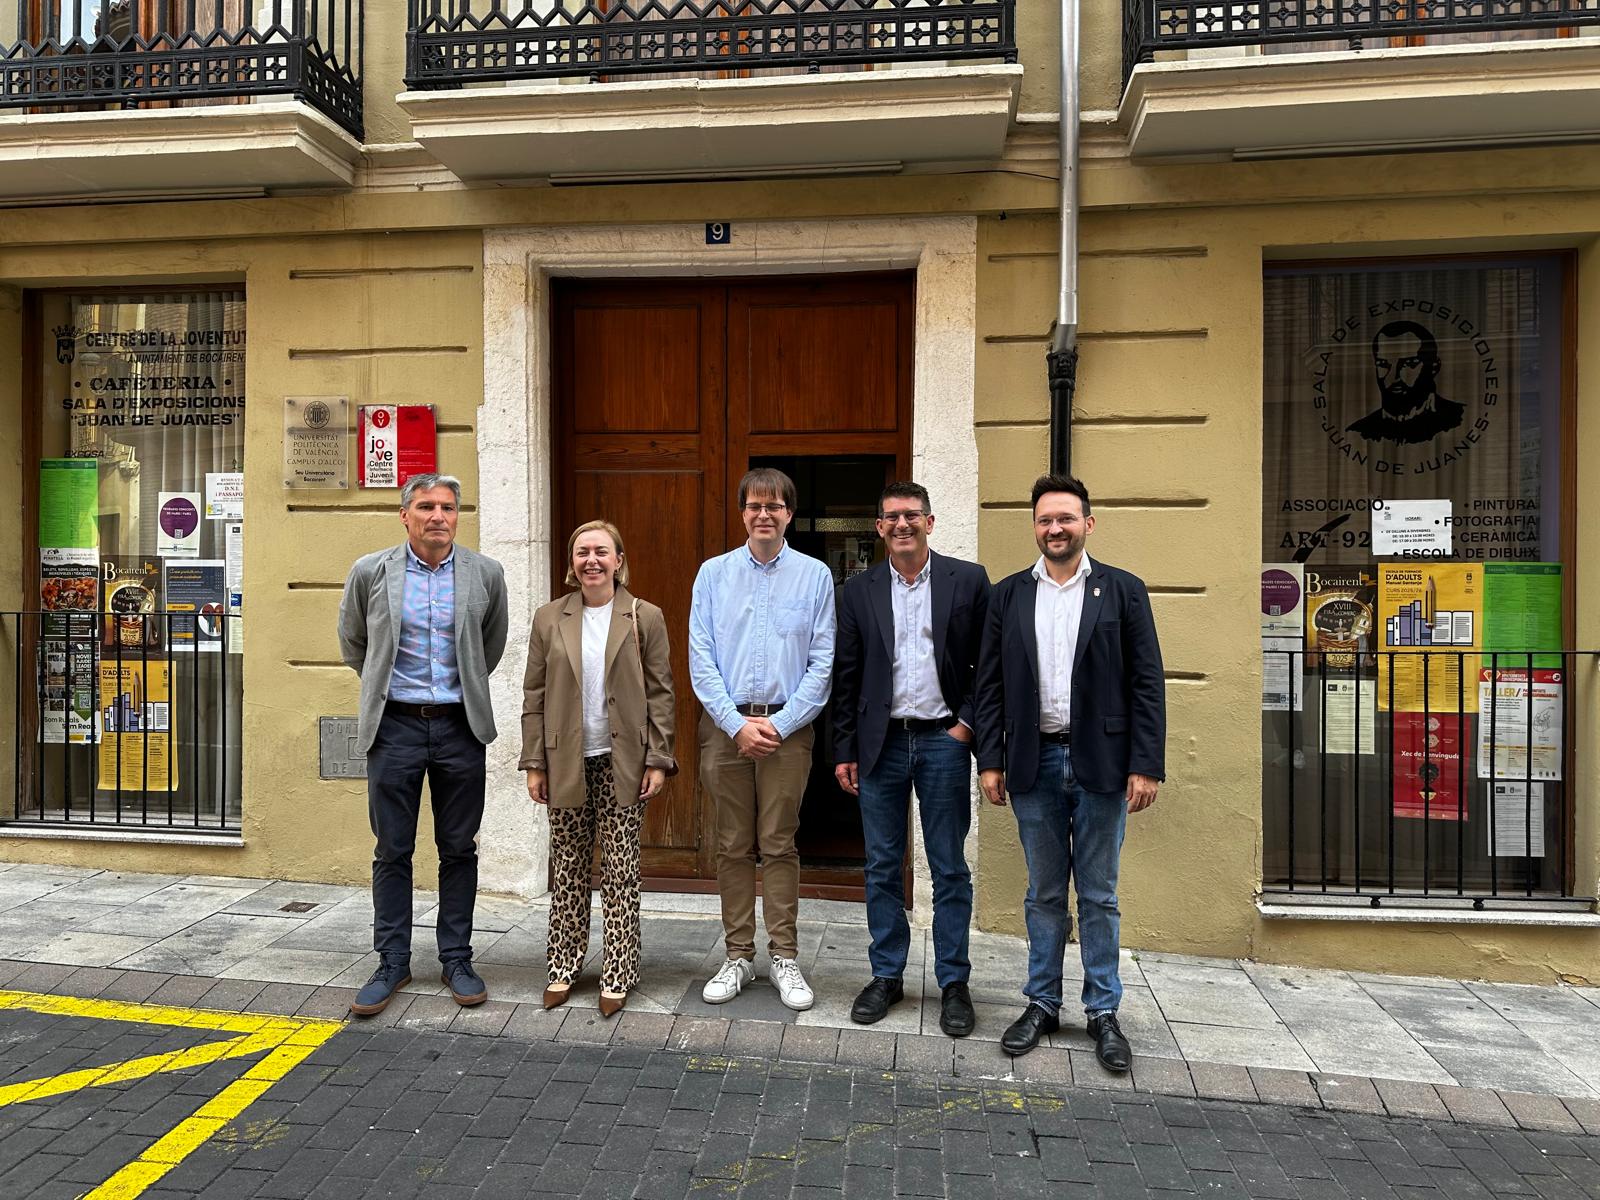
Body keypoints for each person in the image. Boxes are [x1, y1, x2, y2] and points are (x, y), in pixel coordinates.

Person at [974, 474, 1166, 1071]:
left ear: (1088, 523)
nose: (1054, 528)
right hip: (1033, 762)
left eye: (1065, 518)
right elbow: (989, 688)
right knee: (1044, 893)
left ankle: (1103, 1011)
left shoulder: (1123, 591)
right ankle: (1042, 1003)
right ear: (1035, 527)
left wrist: (1146, 765)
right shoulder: (1008, 596)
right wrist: (992, 759)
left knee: (1101, 894)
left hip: (1104, 766)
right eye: (1044, 520)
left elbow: (1146, 684)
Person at [337, 473, 509, 1017]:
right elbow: (353, 642)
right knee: (393, 848)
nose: (439, 516)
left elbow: (491, 645)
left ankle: (456, 957)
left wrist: (460, 692)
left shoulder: (486, 573)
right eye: (426, 506)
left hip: (460, 727)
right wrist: (389, 692)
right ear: (405, 515)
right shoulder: (370, 571)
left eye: (449, 507)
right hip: (395, 726)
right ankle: (392, 959)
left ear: (458, 515)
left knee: (459, 847)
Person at [833, 481, 989, 1037]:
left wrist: (965, 727)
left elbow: (985, 664)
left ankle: (953, 983)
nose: (902, 525)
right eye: (892, 517)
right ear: (879, 528)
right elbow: (846, 675)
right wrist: (845, 748)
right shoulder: (859, 590)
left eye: (912, 516)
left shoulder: (966, 581)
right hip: (881, 745)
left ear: (930, 521)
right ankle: (887, 975)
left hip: (944, 741)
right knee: (881, 865)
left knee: (948, 866)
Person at [690, 467, 835, 1011]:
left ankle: (784, 956)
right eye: (754, 505)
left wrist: (778, 724)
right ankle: (736, 955)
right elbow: (700, 658)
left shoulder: (815, 576)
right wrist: (735, 724)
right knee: (731, 844)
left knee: (779, 842)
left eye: (774, 506)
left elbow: (822, 662)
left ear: (789, 514)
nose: (764, 514)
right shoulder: (713, 574)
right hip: (725, 727)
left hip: (787, 731)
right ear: (742, 512)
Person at [519, 520, 675, 1018]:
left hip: (623, 760)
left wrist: (659, 757)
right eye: (582, 551)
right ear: (572, 562)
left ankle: (618, 968)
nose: (591, 560)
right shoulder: (549, 618)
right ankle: (563, 965)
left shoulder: (643, 616)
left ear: (618, 560)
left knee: (621, 868)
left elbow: (661, 693)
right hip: (566, 757)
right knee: (566, 866)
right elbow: (534, 695)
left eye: (601, 551)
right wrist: (534, 762)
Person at [1346, 320, 1466, 445]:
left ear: (1434, 366)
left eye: (1408, 363)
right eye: (1383, 364)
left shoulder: (1461, 420)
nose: (1394, 377)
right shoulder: (1358, 433)